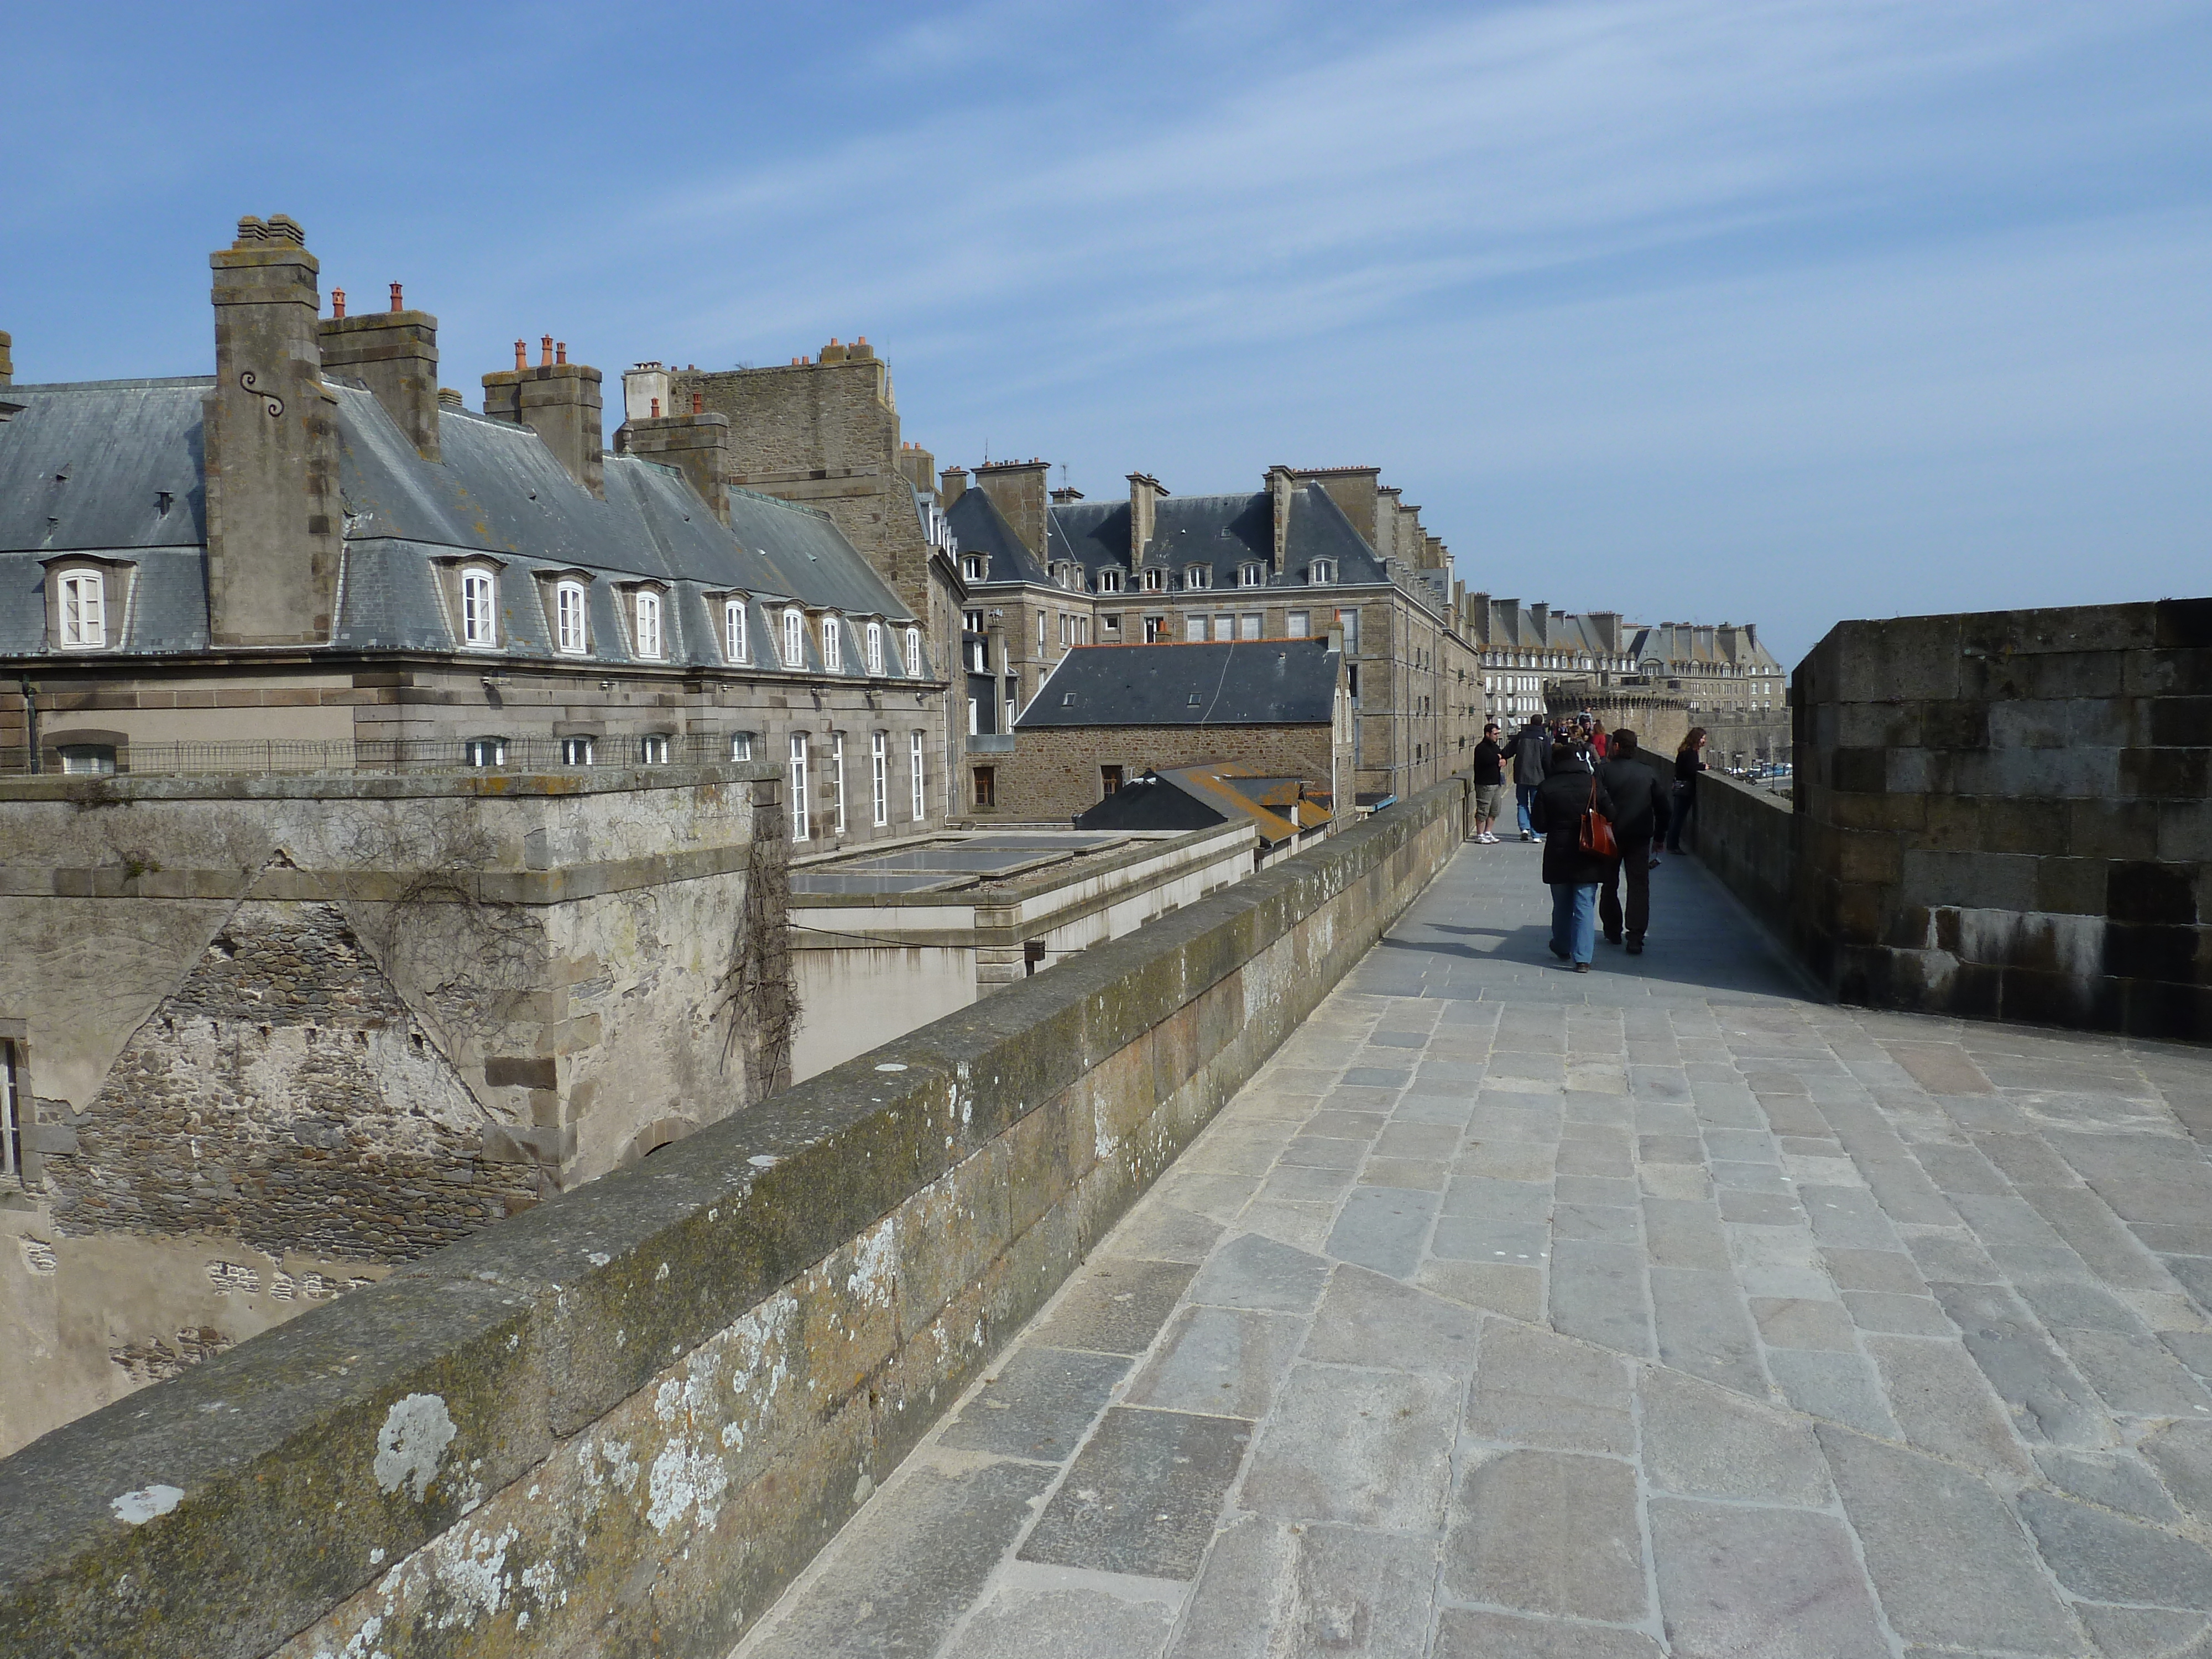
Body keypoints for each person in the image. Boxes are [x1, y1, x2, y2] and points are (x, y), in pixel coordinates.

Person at [1530, 740, 1618, 972]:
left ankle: (1561, 945)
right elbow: (1612, 813)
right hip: (1588, 850)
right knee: (1584, 905)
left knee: (1561, 904)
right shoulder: (1592, 784)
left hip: (1558, 851)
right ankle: (1583, 958)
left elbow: (1538, 824)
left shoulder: (1547, 787)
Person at [1595, 729, 1664, 954]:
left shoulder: (1603, 772)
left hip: (1610, 835)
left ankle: (1613, 930)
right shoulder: (1648, 773)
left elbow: (1595, 802)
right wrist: (1660, 837)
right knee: (1639, 886)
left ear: (1616, 747)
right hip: (1640, 837)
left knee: (1609, 883)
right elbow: (1665, 808)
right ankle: (1635, 936)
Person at [1667, 727, 1709, 854]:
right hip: (1685, 788)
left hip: (1680, 787)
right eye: (1703, 739)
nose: (1704, 742)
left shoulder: (1686, 751)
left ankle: (1671, 844)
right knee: (1678, 818)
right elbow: (1690, 769)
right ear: (1697, 739)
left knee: (1677, 817)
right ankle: (1673, 845)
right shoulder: (1690, 752)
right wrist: (1702, 767)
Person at [1510, 717, 1550, 840]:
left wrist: (1501, 756)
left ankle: (1524, 828)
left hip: (1521, 775)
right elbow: (1547, 760)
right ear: (1541, 724)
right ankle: (1536, 834)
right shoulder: (1544, 739)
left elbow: (1509, 750)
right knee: (1535, 805)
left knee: (1522, 803)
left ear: (1531, 723)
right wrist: (1549, 776)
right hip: (1538, 777)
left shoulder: (1522, 736)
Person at [1470, 722, 1506, 843]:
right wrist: (1498, 758)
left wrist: (1502, 760)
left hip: (1496, 782)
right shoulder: (1481, 748)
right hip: (1484, 783)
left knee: (1494, 809)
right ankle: (1480, 835)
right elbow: (1489, 760)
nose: (1497, 736)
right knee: (1483, 809)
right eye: (1495, 734)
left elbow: (1500, 757)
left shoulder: (1495, 747)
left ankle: (1488, 832)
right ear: (1487, 734)